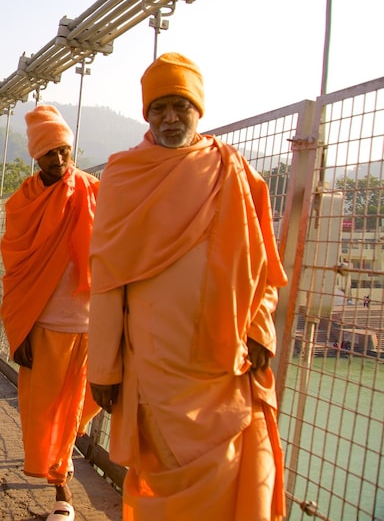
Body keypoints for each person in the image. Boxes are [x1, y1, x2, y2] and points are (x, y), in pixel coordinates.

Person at [87, 52, 288, 520]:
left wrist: (261, 326)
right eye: (159, 107)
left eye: (181, 105)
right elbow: (107, 281)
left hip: (228, 361)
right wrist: (103, 367)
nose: (171, 117)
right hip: (157, 365)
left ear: (199, 109)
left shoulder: (233, 170)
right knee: (163, 479)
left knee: (233, 472)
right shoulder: (123, 174)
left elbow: (261, 263)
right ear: (146, 114)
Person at [0, 104, 101, 519]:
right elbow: (16, 270)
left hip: (93, 322)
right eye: (49, 153)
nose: (59, 161)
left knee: (84, 405)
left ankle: (63, 473)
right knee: (45, 413)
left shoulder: (95, 190)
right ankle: (63, 490)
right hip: (43, 325)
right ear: (34, 157)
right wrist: (19, 332)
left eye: (64, 151)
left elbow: (118, 252)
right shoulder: (22, 202)